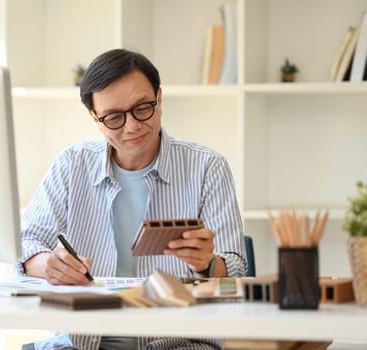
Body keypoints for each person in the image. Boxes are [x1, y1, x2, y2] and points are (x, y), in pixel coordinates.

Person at [16, 48, 247, 350]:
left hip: (179, 343)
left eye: (142, 108)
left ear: (159, 98)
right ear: (94, 118)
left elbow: (237, 274)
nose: (132, 126)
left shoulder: (207, 168)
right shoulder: (71, 165)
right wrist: (49, 265)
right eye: (113, 117)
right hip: (81, 342)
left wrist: (207, 265)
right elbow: (25, 244)